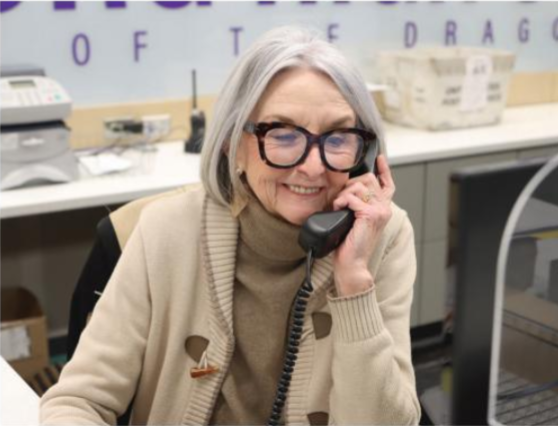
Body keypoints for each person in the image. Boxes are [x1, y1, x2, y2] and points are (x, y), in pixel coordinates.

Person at [40, 26, 421, 425]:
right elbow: (77, 402)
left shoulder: (384, 237)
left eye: (339, 137)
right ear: (232, 143)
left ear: (366, 154)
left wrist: (354, 282)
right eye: (284, 134)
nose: (313, 165)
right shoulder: (167, 231)